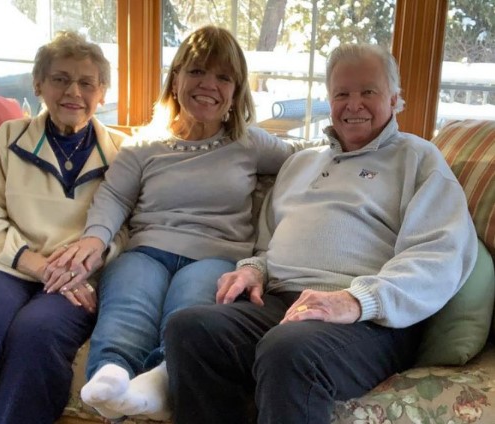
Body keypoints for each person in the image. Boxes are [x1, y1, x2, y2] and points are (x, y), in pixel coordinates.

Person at [163, 43, 479, 424]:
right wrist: (253, 271)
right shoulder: (300, 163)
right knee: (189, 329)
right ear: (329, 100)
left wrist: (356, 300)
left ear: (395, 99)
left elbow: (439, 256)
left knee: (289, 349)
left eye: (368, 92)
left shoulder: (419, 159)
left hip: (369, 320)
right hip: (281, 305)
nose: (354, 104)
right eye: (342, 93)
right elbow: (266, 243)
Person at [44, 25, 309, 422]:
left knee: (187, 312)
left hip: (216, 257)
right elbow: (114, 197)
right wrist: (96, 239)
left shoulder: (251, 144)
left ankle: (159, 381)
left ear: (236, 93)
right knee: (129, 306)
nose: (209, 85)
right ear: (176, 78)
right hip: (147, 252)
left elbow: (305, 161)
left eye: (224, 77)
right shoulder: (144, 145)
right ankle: (110, 376)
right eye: (197, 71)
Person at [0, 31, 127, 424]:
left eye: (87, 82)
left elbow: (129, 229)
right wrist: (38, 264)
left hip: (79, 277)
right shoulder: (2, 142)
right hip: (7, 264)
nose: (73, 91)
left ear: (102, 93)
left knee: (37, 334)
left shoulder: (126, 155)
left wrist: (85, 263)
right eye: (60, 79)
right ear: (39, 85)